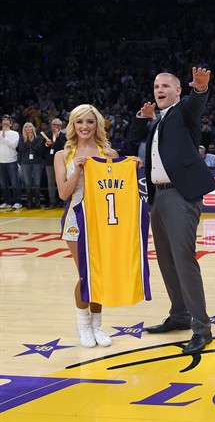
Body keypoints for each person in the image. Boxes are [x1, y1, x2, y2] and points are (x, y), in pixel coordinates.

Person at [127, 67, 215, 355]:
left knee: (183, 260)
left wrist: (200, 89)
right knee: (166, 261)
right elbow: (133, 136)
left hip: (181, 196)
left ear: (178, 91)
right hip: (159, 197)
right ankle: (179, 315)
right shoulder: (156, 121)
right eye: (156, 86)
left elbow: (196, 104)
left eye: (166, 85)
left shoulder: (183, 112)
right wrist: (143, 116)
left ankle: (202, 328)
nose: (159, 90)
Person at [54, 104, 118, 348]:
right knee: (86, 274)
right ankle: (83, 324)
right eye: (79, 122)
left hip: (103, 221)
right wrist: (78, 170)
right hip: (75, 221)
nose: (84, 127)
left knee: (99, 275)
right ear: (73, 125)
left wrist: (131, 166)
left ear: (97, 125)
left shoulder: (108, 153)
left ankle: (97, 326)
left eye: (89, 122)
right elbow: (63, 193)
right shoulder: (63, 155)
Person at [17, 122, 47, 208]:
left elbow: (39, 150)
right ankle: (29, 202)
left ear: (33, 128)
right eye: (26, 127)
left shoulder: (39, 139)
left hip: (37, 163)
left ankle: (37, 202)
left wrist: (31, 140)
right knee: (28, 184)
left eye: (30, 126)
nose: (28, 128)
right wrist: (26, 140)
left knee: (37, 184)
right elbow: (21, 149)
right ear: (24, 129)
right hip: (25, 163)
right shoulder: (22, 138)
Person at [43, 118, 66, 208]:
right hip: (49, 162)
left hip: (61, 162)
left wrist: (57, 137)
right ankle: (52, 202)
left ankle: (64, 201)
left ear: (61, 126)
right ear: (51, 126)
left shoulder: (64, 136)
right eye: (54, 125)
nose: (56, 127)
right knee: (51, 182)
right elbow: (41, 150)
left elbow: (65, 147)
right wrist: (46, 144)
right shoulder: (46, 135)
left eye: (58, 125)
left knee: (62, 182)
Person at [0, 115, 21, 209]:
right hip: (1, 161)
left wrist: (4, 137)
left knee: (14, 183)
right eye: (3, 120)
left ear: (10, 123)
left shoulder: (15, 134)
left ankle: (17, 202)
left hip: (11, 160)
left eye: (7, 120)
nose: (5, 121)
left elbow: (13, 145)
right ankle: (6, 202)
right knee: (3, 184)